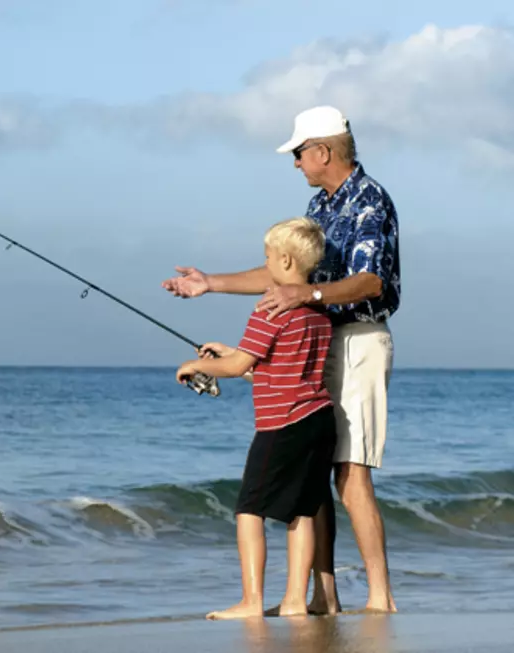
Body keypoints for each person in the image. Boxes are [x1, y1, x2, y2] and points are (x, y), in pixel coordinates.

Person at [163, 105, 400, 615]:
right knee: (315, 471)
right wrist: (211, 284)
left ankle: (381, 598)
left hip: (359, 337)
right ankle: (323, 595)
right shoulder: (320, 205)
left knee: (350, 471)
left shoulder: (369, 201)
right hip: (321, 336)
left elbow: (369, 282)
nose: (295, 163)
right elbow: (285, 275)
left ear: (322, 151)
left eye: (298, 153)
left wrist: (308, 297)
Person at [176, 216, 337, 620]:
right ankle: (296, 601)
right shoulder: (320, 312)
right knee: (302, 511)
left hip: (281, 424)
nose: (264, 264)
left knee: (250, 509)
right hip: (319, 419)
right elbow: (273, 366)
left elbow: (240, 366)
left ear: (284, 260)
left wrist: (195, 365)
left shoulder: (269, 309)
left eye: (266, 257)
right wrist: (228, 353)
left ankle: (251, 601)